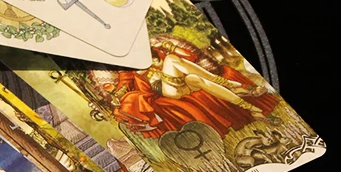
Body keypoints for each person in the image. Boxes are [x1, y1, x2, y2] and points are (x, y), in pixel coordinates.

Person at [107, 40, 277, 139]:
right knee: (171, 60)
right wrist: (116, 95)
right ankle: (231, 84)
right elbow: (124, 86)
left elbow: (190, 58)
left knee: (195, 78)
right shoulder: (129, 69)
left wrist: (170, 47)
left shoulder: (157, 51)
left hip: (185, 83)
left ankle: (252, 109)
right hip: (167, 92)